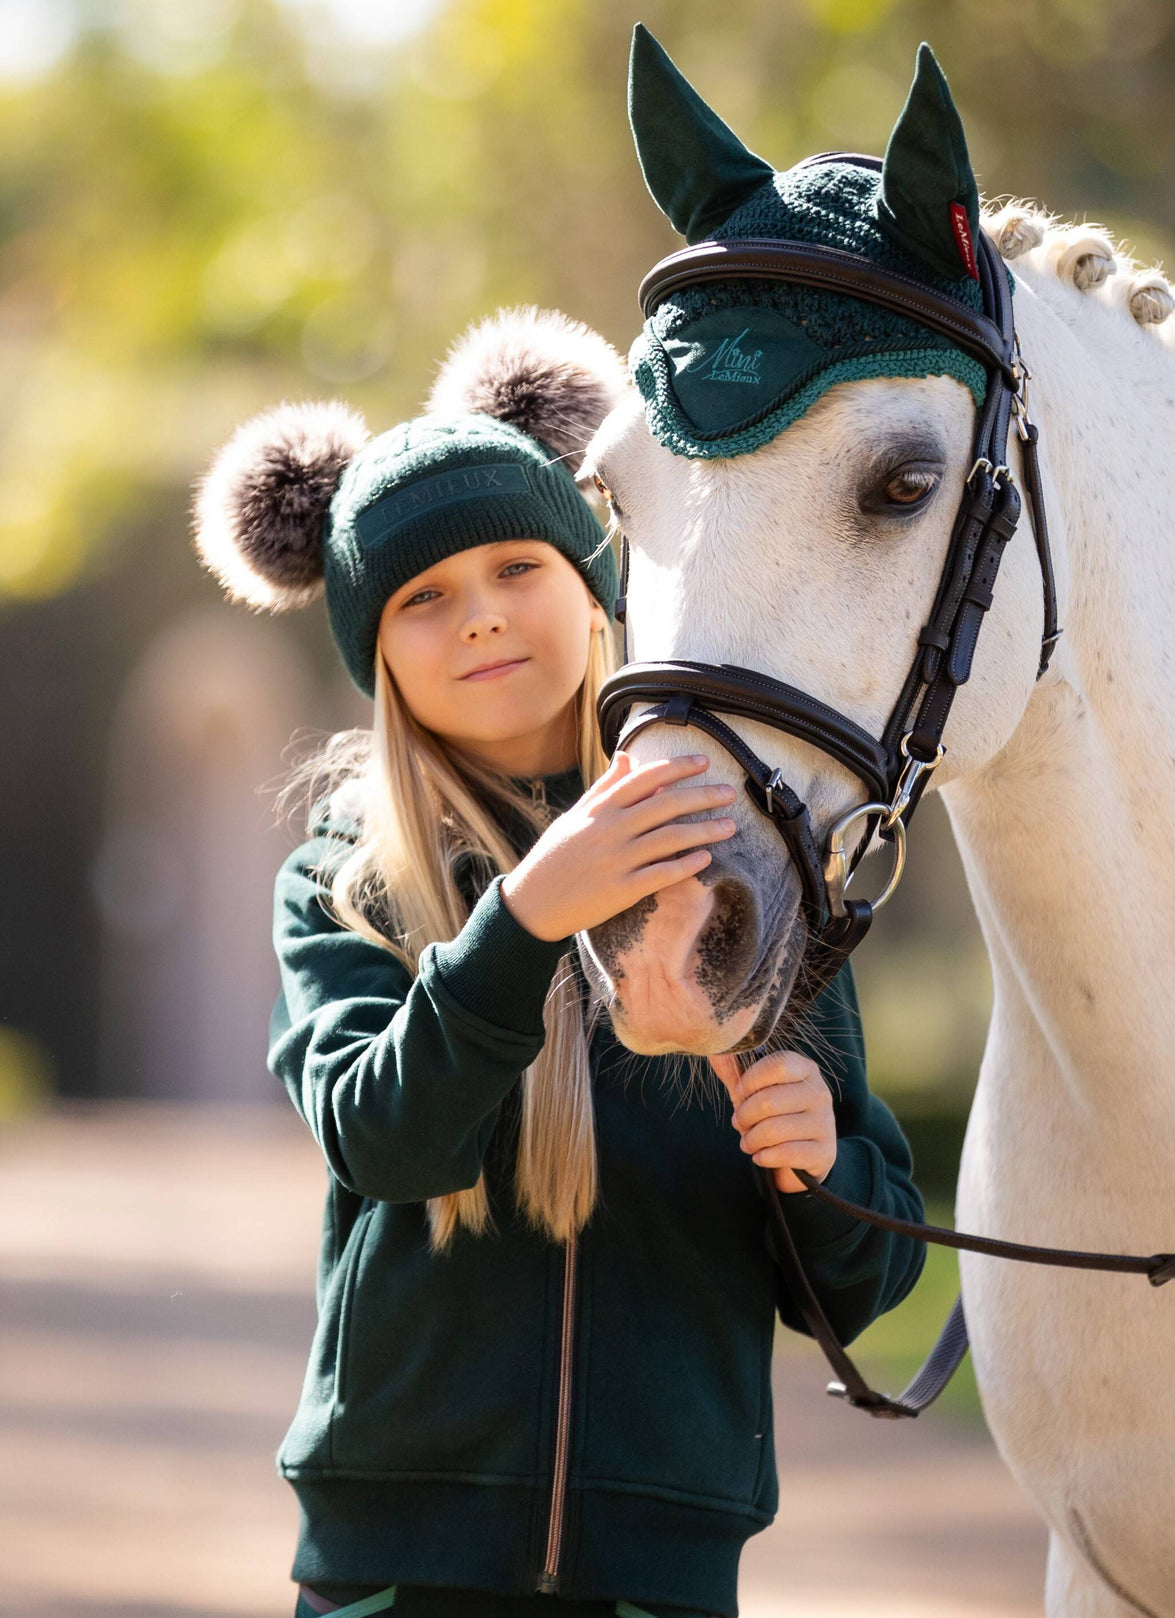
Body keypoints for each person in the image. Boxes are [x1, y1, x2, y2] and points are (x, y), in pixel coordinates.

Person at [191, 306, 927, 1618]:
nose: (478, 618)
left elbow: (856, 1288)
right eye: (422, 598)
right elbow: (385, 1139)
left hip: (664, 1563)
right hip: (396, 1562)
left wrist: (823, 1160)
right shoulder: (342, 881)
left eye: (515, 568)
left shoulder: (742, 857)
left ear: (596, 584)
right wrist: (524, 917)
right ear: (377, 657)